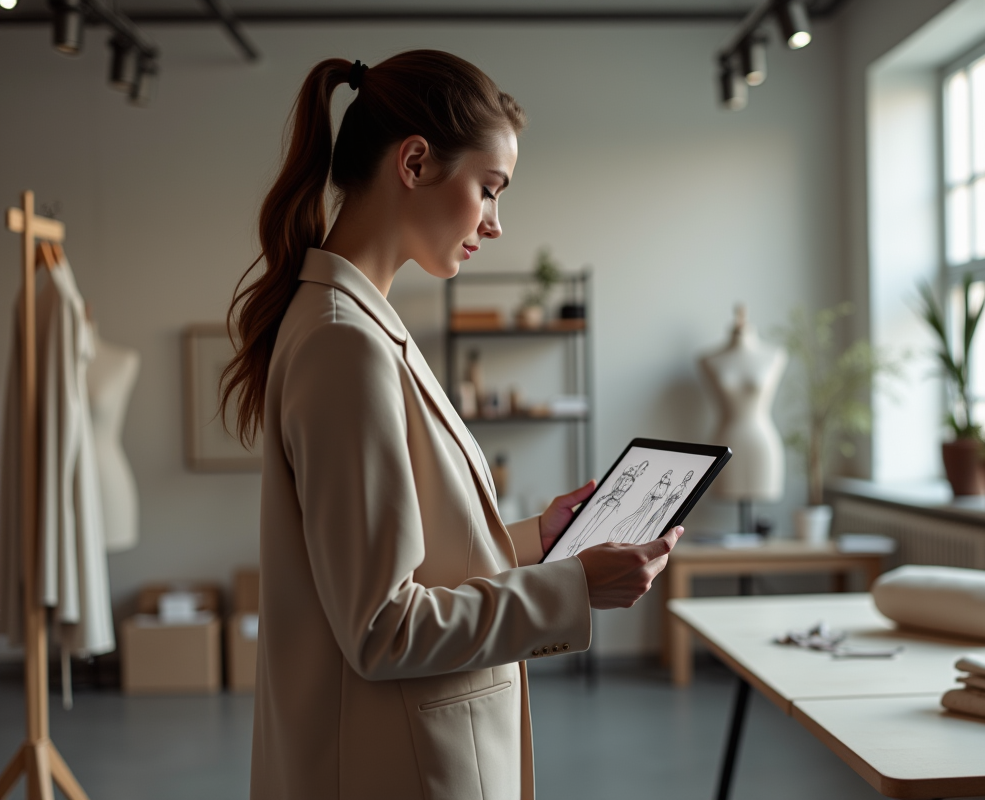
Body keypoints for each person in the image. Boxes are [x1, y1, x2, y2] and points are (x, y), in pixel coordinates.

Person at [219, 51, 683, 800]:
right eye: (489, 191)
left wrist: (541, 537)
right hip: (395, 768)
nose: (496, 225)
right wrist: (573, 588)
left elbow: (414, 557)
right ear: (414, 162)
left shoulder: (361, 324)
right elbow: (383, 627)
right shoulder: (345, 341)